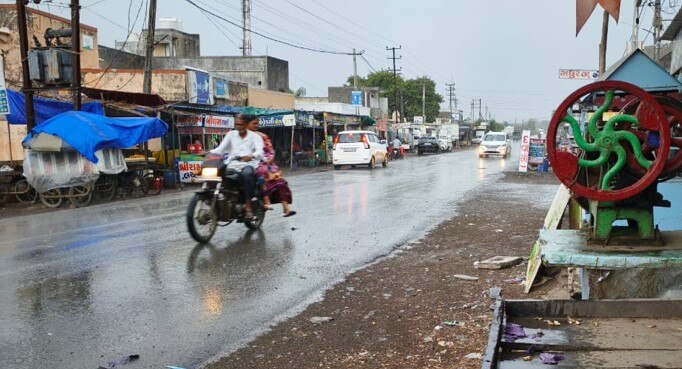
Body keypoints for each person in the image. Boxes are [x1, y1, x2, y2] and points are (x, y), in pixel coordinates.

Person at [210, 114, 264, 220]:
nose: (238, 127)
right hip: (232, 164)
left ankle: (248, 207)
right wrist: (208, 152)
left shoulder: (255, 137)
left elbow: (260, 152)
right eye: (236, 124)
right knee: (217, 174)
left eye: (241, 124)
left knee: (246, 174)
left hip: (248, 165)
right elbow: (220, 149)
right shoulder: (231, 134)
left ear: (246, 124)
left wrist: (251, 156)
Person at [247, 117, 296, 217]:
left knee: (278, 180)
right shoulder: (238, 136)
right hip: (244, 163)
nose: (256, 125)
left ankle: (285, 207)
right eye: (254, 123)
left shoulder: (262, 136)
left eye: (257, 123)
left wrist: (266, 159)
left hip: (263, 163)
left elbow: (270, 151)